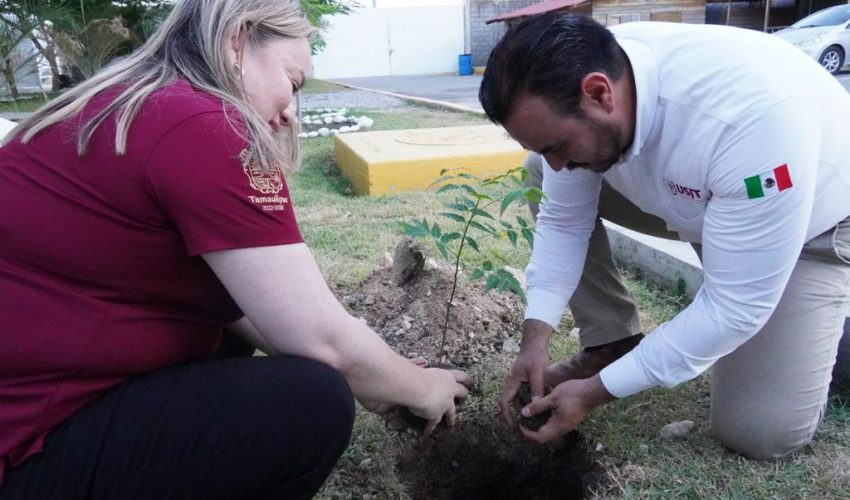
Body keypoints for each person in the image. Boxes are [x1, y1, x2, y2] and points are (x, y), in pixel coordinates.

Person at [0, 1, 469, 498]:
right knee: (309, 403)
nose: (291, 110)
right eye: (293, 82)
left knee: (228, 334)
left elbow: (258, 307)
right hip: (26, 447)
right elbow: (320, 337)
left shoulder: (133, 102)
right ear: (237, 40)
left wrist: (378, 376)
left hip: (31, 402)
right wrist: (422, 389)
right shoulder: (208, 124)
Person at [479, 12, 850, 460]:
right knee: (540, 173)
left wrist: (597, 392)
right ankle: (611, 343)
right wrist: (534, 340)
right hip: (698, 197)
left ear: (599, 93)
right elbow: (563, 222)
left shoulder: (754, 121)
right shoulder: (586, 76)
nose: (558, 164)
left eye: (557, 145)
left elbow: (734, 307)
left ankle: (826, 330)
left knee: (759, 432)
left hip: (812, 224)